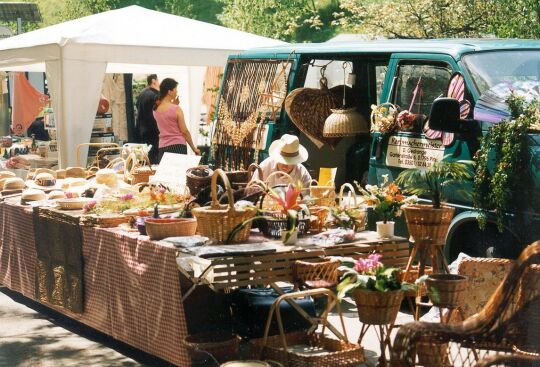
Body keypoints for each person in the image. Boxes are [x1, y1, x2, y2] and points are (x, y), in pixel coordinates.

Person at [153, 78, 200, 162]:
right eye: (175, 89)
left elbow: (167, 120)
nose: (177, 92)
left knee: (166, 174)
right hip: (177, 146)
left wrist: (173, 104)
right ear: (169, 91)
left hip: (162, 147)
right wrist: (194, 148)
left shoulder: (155, 110)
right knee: (179, 174)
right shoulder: (176, 109)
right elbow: (184, 131)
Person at [136, 74, 160, 163]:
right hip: (153, 130)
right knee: (153, 156)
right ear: (154, 81)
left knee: (144, 155)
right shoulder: (156, 95)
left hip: (141, 129)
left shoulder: (142, 93)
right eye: (158, 80)